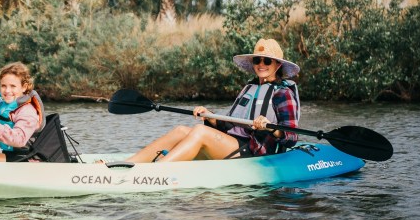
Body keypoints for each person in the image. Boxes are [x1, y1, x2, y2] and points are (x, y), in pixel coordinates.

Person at [124, 38, 300, 163]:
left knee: (200, 132)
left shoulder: (283, 93)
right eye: (257, 60)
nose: (261, 64)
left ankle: (157, 172)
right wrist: (210, 117)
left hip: (254, 152)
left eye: (267, 60)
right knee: (180, 130)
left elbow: (292, 137)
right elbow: (230, 125)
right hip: (233, 143)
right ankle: (128, 164)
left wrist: (271, 128)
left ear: (277, 65)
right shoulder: (249, 88)